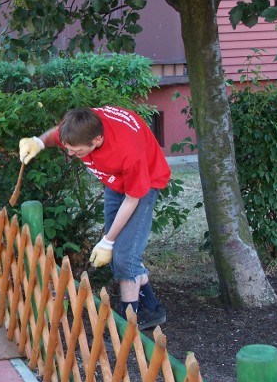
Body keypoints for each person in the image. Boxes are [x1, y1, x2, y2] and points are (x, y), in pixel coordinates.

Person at [19, 106, 171, 330]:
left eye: (77, 151)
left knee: (124, 257)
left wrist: (107, 241)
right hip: (115, 181)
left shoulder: (128, 151)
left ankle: (128, 326)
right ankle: (152, 308)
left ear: (97, 140)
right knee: (120, 254)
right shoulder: (78, 128)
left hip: (144, 185)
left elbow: (132, 199)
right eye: (69, 149)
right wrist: (38, 142)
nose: (71, 154)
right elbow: (58, 135)